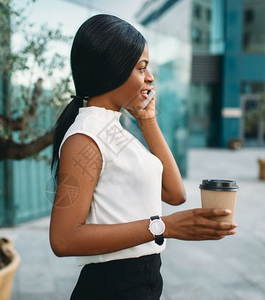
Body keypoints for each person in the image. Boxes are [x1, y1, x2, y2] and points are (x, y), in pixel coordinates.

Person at [49, 14, 237, 300]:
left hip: (141, 281)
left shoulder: (116, 130)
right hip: (112, 286)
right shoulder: (85, 138)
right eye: (141, 67)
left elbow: (175, 194)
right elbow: (63, 239)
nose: (149, 77)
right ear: (114, 69)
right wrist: (163, 226)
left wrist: (148, 121)